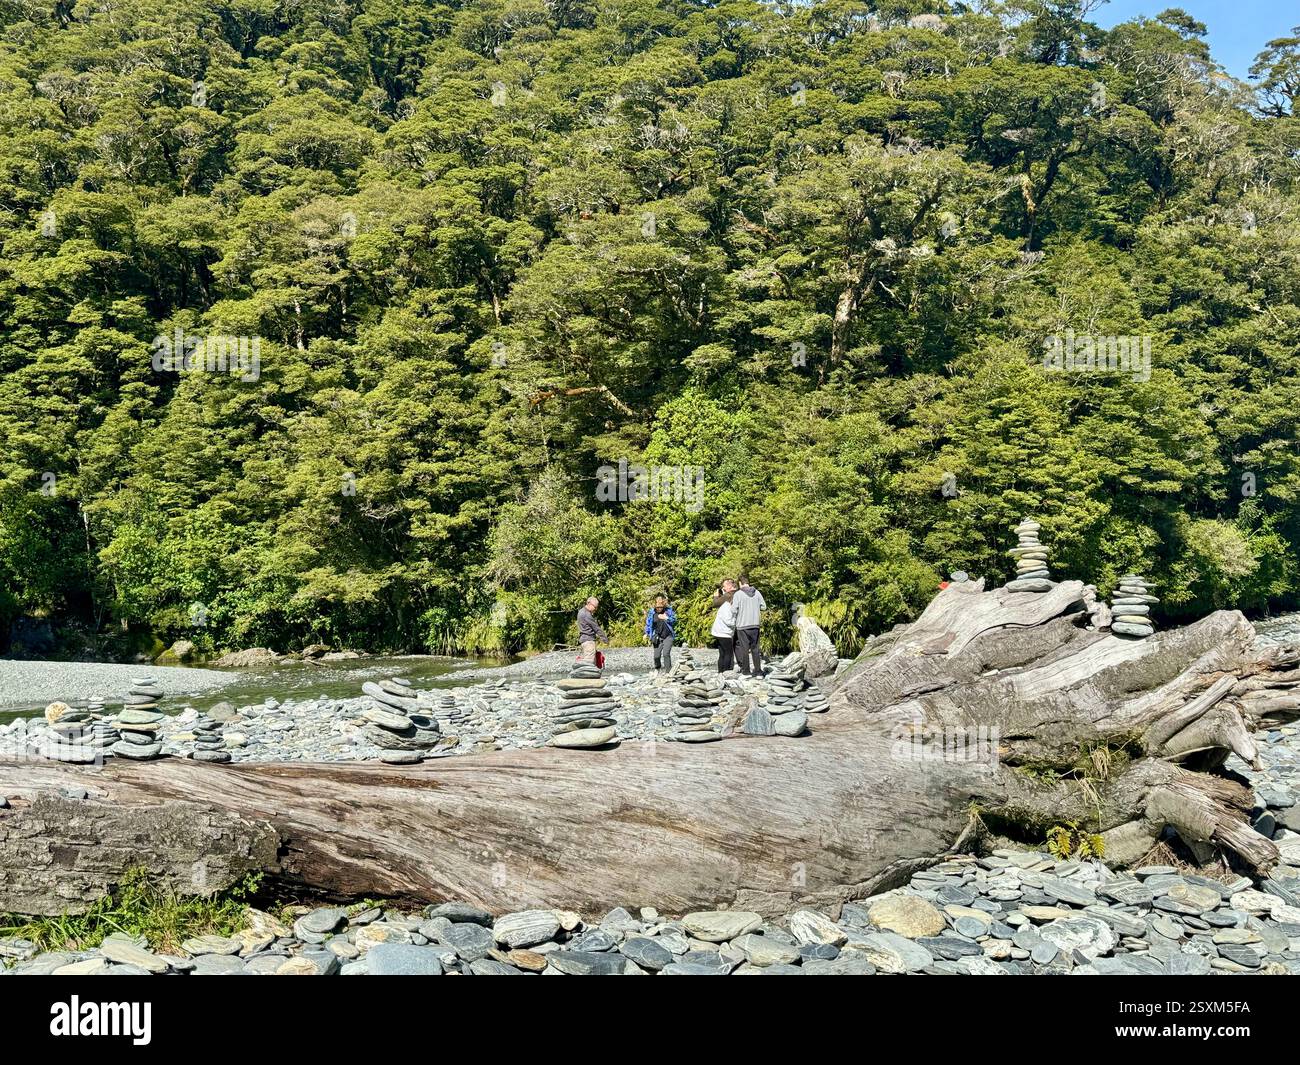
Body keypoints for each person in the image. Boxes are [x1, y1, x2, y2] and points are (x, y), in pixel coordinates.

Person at [733, 573, 767, 676]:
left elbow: (734, 610)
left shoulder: (738, 594)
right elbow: (764, 607)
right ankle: (758, 672)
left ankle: (746, 672)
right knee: (755, 649)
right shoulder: (757, 593)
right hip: (755, 625)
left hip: (742, 626)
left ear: (740, 583)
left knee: (744, 649)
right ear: (748, 583)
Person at [711, 579, 738, 672]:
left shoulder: (728, 597)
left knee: (722, 653)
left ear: (730, 586)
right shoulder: (727, 602)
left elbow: (716, 604)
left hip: (719, 631)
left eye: (724, 586)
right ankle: (725, 672)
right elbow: (728, 620)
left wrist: (717, 597)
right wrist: (736, 623)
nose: (723, 588)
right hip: (723, 632)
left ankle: (720, 672)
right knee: (728, 653)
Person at [644, 593, 677, 671]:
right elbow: (648, 624)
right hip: (657, 637)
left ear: (663, 604)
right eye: (657, 607)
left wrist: (666, 618)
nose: (659, 609)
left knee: (666, 654)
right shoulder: (652, 612)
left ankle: (669, 672)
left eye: (661, 607)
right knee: (656, 656)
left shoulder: (668, 610)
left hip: (668, 636)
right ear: (655, 605)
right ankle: (657, 669)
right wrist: (646, 633)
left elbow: (674, 619)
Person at [576, 596, 607, 662]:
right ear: (589, 604)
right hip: (589, 642)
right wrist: (605, 639)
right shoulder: (586, 615)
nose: (595, 609)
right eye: (595, 607)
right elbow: (596, 628)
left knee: (589, 663)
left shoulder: (581, 611)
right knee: (589, 663)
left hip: (584, 640)